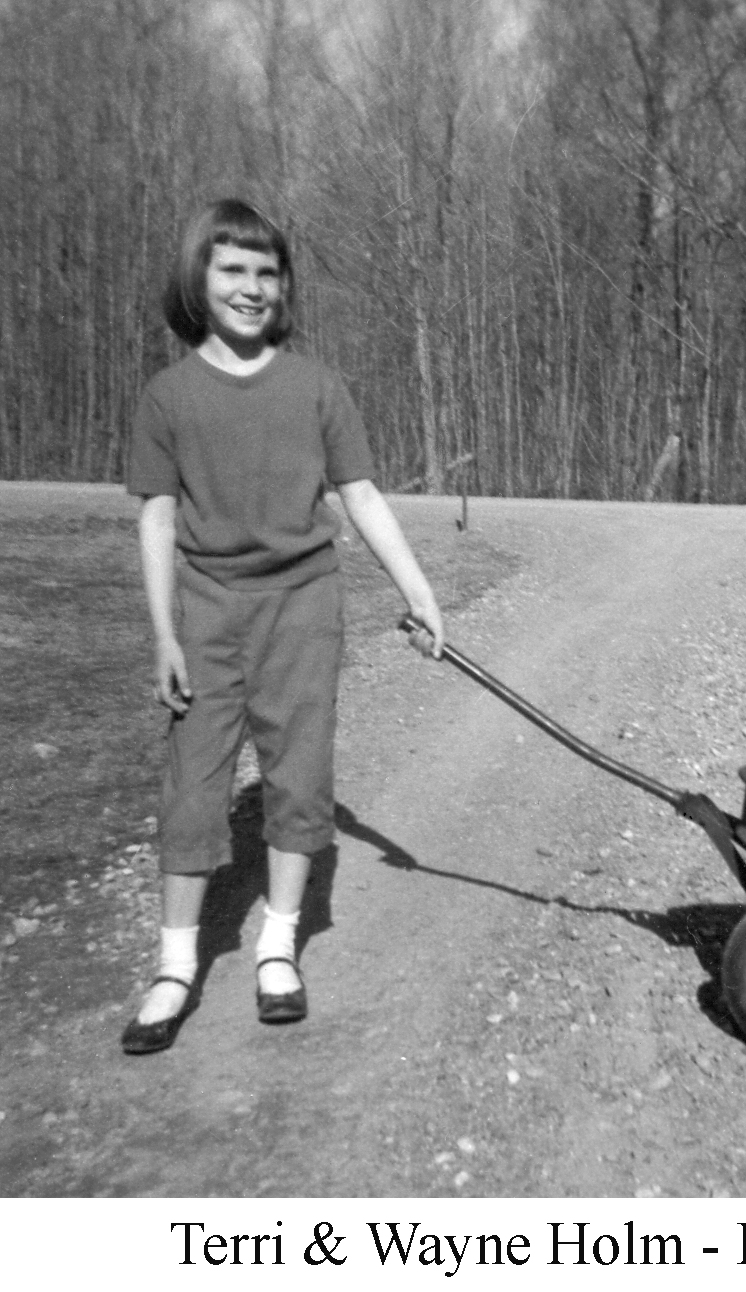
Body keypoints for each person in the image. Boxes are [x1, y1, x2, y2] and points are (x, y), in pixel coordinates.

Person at [121, 198, 444, 1055]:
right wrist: (164, 634)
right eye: (232, 270)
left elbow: (361, 497)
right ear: (198, 278)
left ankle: (278, 946)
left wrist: (418, 590)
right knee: (194, 781)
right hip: (208, 611)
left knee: (300, 774)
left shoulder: (317, 388)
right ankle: (175, 963)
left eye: (267, 272)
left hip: (303, 607)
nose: (251, 288)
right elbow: (156, 520)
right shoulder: (167, 397)